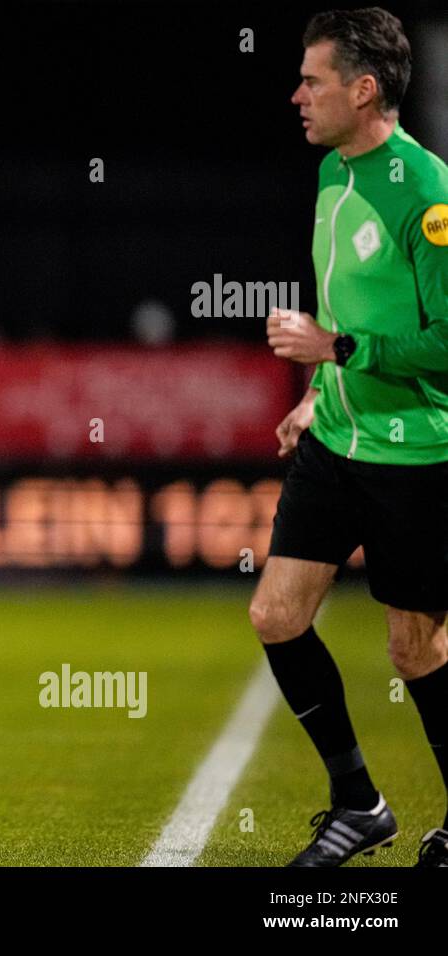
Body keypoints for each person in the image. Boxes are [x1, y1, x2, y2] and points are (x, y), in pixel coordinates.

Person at [257, 7, 448, 867]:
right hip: (338, 437)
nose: (297, 94)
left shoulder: (430, 194)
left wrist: (337, 349)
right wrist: (316, 389)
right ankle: (359, 803)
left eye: (313, 80)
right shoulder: (335, 173)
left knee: (415, 649)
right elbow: (347, 311)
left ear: (363, 89)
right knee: (275, 615)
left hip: (415, 457)